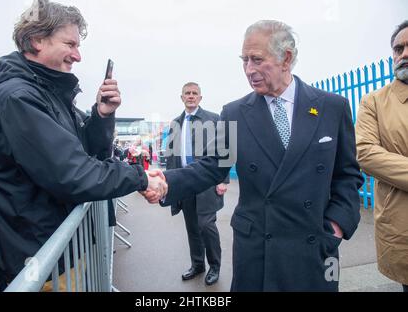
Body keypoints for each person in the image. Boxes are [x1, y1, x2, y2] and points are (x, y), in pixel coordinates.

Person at [145, 20, 363, 291]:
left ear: (286, 58)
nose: (249, 70)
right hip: (257, 249)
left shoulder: (332, 107)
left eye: (257, 60)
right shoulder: (235, 113)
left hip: (315, 246)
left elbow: (348, 175)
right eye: (244, 60)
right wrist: (166, 182)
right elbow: (213, 166)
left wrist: (336, 226)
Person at [0, 0, 166, 290]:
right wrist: (140, 178)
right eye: (70, 44)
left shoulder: (46, 92)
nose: (78, 56)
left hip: (57, 252)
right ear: (38, 39)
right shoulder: (17, 98)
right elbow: (73, 173)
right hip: (41, 260)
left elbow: (85, 151)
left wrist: (102, 116)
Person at [355, 20, 408, 293]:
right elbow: (365, 152)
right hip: (401, 222)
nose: (404, 54)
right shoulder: (373, 102)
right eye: (398, 49)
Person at [165, 82, 229, 286]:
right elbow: (171, 157)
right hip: (184, 183)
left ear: (200, 98)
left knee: (206, 225)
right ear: (181, 97)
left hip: (207, 182)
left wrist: (223, 180)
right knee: (192, 226)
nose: (191, 96)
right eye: (187, 93)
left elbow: (226, 150)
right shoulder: (175, 123)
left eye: (195, 93)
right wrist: (169, 182)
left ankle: (215, 266)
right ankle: (198, 264)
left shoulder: (214, 119)